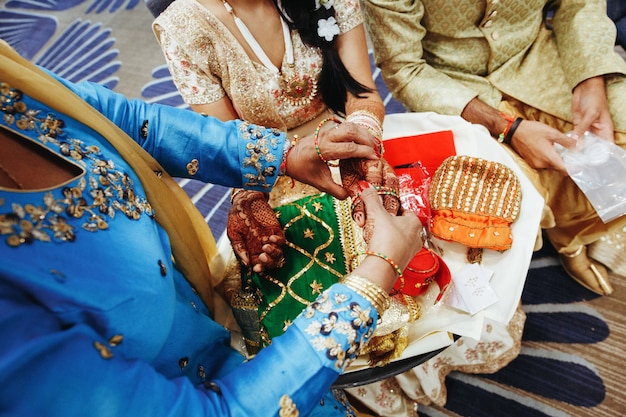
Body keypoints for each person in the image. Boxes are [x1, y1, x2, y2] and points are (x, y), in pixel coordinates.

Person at [0, 39, 424, 416]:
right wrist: (378, 272)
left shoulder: (12, 89)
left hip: (207, 332)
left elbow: (128, 122)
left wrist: (283, 155)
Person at [150, 0, 398, 355]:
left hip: (345, 138)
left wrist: (359, 141)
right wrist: (247, 196)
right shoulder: (182, 28)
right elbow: (228, 143)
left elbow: (363, 95)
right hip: (269, 172)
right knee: (293, 292)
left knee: (396, 249)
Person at [361, 0, 626, 295]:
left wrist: (590, 78)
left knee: (616, 139)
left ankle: (570, 237)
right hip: (453, 89)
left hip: (540, 59)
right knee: (499, 207)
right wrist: (508, 129)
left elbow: (577, 5)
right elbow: (405, 69)